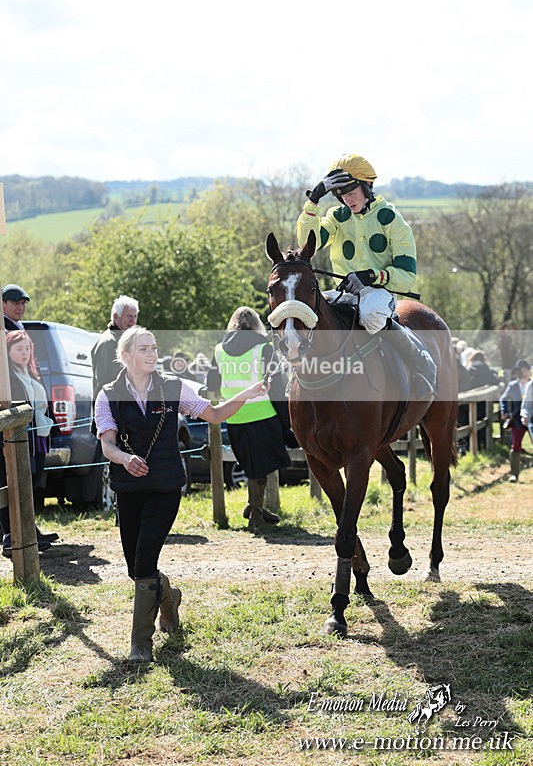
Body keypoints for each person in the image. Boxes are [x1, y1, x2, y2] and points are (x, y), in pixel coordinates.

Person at [94, 325, 270, 663]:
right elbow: (107, 445)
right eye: (144, 349)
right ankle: (169, 595)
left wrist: (246, 393)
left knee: (144, 560)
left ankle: (140, 645)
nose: (152, 353)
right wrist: (125, 458)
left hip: (166, 488)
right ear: (126, 355)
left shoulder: (174, 387)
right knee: (136, 569)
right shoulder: (108, 394)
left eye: (154, 347)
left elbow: (215, 414)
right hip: (128, 489)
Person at [296, 152, 435, 401]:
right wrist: (314, 199)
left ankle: (419, 364)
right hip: (343, 291)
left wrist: (371, 276)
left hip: (378, 294)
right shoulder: (337, 218)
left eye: (351, 193)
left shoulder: (392, 219)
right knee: (311, 314)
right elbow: (308, 245)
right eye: (341, 195)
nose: (347, 200)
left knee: (371, 315)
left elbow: (406, 277)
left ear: (368, 186)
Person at [209, 306, 295, 531]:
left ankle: (254, 506)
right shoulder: (265, 349)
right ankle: (256, 514)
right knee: (262, 467)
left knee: (252, 465)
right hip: (263, 414)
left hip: (234, 417)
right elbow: (276, 388)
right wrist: (287, 420)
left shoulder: (219, 350)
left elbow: (212, 386)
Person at [0, 330, 58, 558]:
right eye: (19, 349)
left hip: (37, 439)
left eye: (27, 349)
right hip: (14, 441)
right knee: (12, 486)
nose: (24, 353)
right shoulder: (6, 377)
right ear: (8, 351)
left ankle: (30, 531)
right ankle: (10, 536)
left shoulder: (30, 372)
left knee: (31, 484)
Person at [91, 295, 139, 402]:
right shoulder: (110, 342)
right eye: (129, 316)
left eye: (135, 316)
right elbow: (107, 384)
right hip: (110, 411)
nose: (133, 321)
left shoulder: (123, 340)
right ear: (116, 316)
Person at [500, 359, 531, 481]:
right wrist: (505, 412)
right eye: (523, 370)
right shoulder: (512, 385)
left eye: (527, 370)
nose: (526, 373)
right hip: (517, 419)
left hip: (531, 418)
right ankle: (514, 474)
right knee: (516, 445)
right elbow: (503, 398)